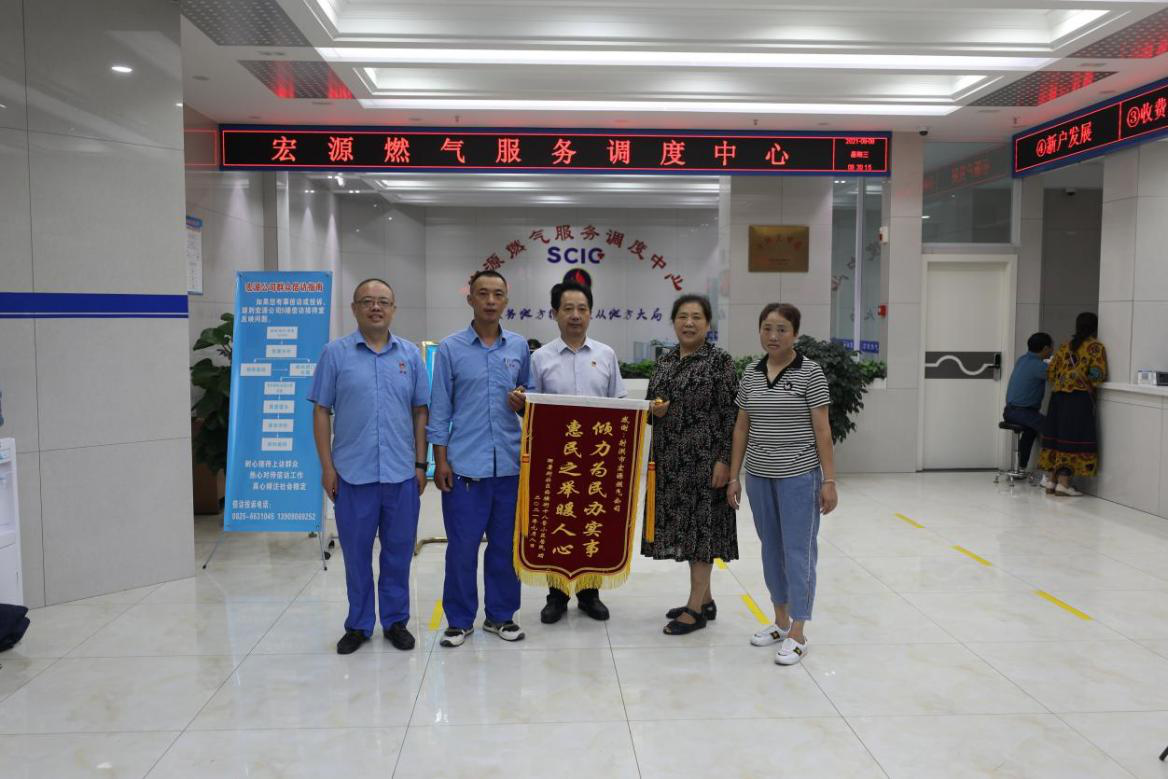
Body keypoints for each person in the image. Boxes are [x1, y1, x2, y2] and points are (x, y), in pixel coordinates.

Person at [308, 279, 429, 655]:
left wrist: (421, 464)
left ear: (393, 309)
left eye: (383, 302)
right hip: (352, 475)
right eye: (367, 301)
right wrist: (327, 467)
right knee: (356, 556)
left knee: (398, 553)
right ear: (354, 308)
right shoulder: (335, 354)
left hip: (401, 474)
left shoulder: (410, 355)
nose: (376, 307)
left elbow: (420, 411)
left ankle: (395, 621)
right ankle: (359, 625)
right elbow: (321, 410)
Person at [727, 303, 837, 666]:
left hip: (799, 477)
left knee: (798, 551)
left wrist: (829, 480)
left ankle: (799, 632)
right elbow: (741, 426)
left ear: (795, 334)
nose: (773, 336)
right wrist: (734, 476)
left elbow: (823, 430)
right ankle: (780, 621)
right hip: (759, 477)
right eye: (767, 328)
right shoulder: (751, 373)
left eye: (782, 330)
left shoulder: (810, 372)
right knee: (771, 549)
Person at [428, 269, 531, 646]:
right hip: (465, 467)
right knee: (462, 548)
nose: (490, 300)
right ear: (470, 298)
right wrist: (440, 461)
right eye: (483, 293)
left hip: (509, 466)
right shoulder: (451, 348)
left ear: (506, 301)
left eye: (498, 294)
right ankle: (459, 620)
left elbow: (532, 400)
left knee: (505, 548)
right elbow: (440, 408)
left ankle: (501, 616)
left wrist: (523, 402)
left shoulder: (518, 347)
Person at [526, 280, 627, 624]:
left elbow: (619, 405)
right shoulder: (540, 358)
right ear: (554, 314)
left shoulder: (606, 355)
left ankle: (589, 593)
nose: (575, 315)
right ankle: (556, 595)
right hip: (555, 460)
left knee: (593, 522)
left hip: (597, 458)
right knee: (558, 523)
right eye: (567, 309)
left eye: (582, 309)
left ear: (591, 314)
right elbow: (531, 409)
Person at [641, 294, 738, 635]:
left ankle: (695, 610)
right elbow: (648, 408)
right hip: (670, 463)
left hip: (705, 464)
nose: (689, 323)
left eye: (697, 317)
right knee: (687, 533)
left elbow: (732, 415)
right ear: (674, 322)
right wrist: (654, 410)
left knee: (701, 534)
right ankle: (705, 600)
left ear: (708, 324)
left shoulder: (720, 362)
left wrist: (725, 460)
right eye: (683, 316)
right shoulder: (665, 361)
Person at [1038, 312, 1107, 497]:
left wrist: (1064, 381)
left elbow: (1050, 373)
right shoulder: (1095, 347)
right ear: (1094, 327)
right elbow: (1098, 375)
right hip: (1078, 399)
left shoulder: (1064, 346)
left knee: (1057, 436)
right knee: (1072, 438)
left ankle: (1052, 481)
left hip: (1057, 398)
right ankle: (1064, 483)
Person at [1003, 332, 1053, 474]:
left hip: (1010, 411)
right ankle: (1051, 473)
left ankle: (1021, 467)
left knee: (1031, 430)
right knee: (1053, 429)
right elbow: (1060, 376)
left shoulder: (1022, 360)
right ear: (1045, 348)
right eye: (1051, 347)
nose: (1052, 350)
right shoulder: (1039, 366)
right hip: (1022, 412)